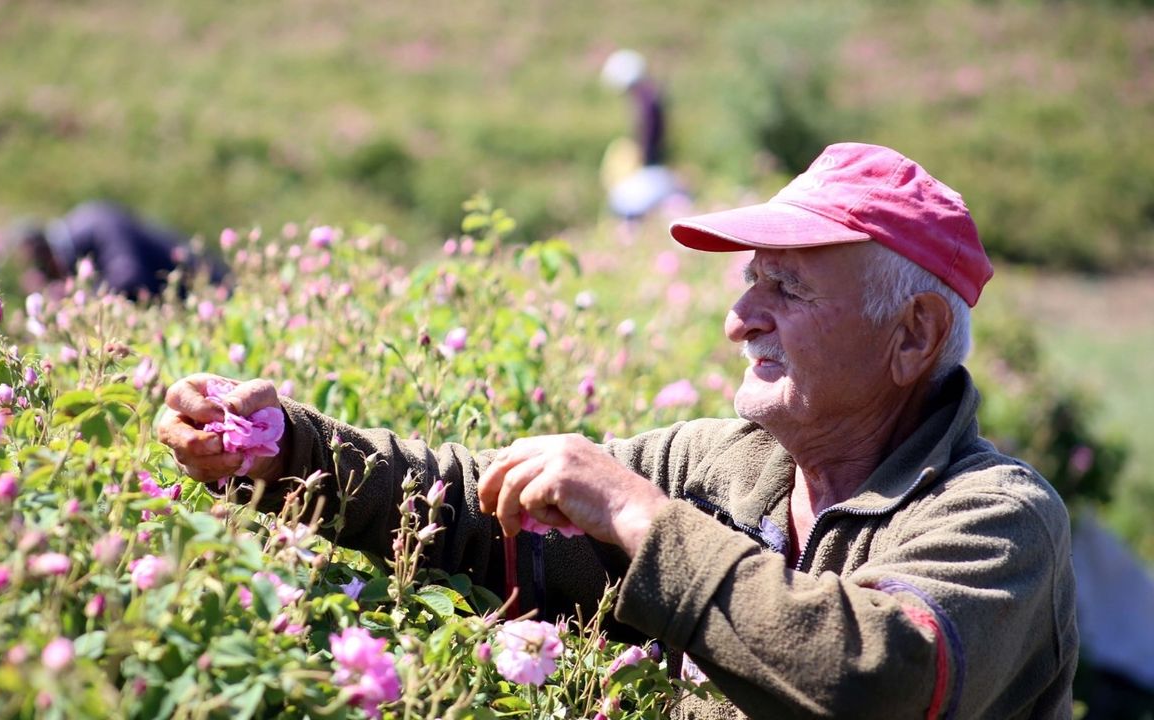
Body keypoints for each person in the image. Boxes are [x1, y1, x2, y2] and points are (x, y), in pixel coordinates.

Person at [159, 143, 1077, 719]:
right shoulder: (721, 464)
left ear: (912, 334)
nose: (740, 319)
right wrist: (285, 449)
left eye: (787, 288)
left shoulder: (999, 517)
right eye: (750, 281)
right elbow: (477, 511)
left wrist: (641, 519)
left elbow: (875, 679)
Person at [14, 200, 228, 300]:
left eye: (43, 270)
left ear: (47, 255)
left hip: (212, 289)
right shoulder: (82, 230)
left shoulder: (95, 223)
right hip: (188, 300)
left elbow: (129, 276)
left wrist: (80, 299)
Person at [598, 49, 688, 221]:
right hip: (654, 172)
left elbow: (649, 140)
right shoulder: (649, 97)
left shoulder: (645, 100)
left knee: (620, 207)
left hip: (650, 174)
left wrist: (638, 157)